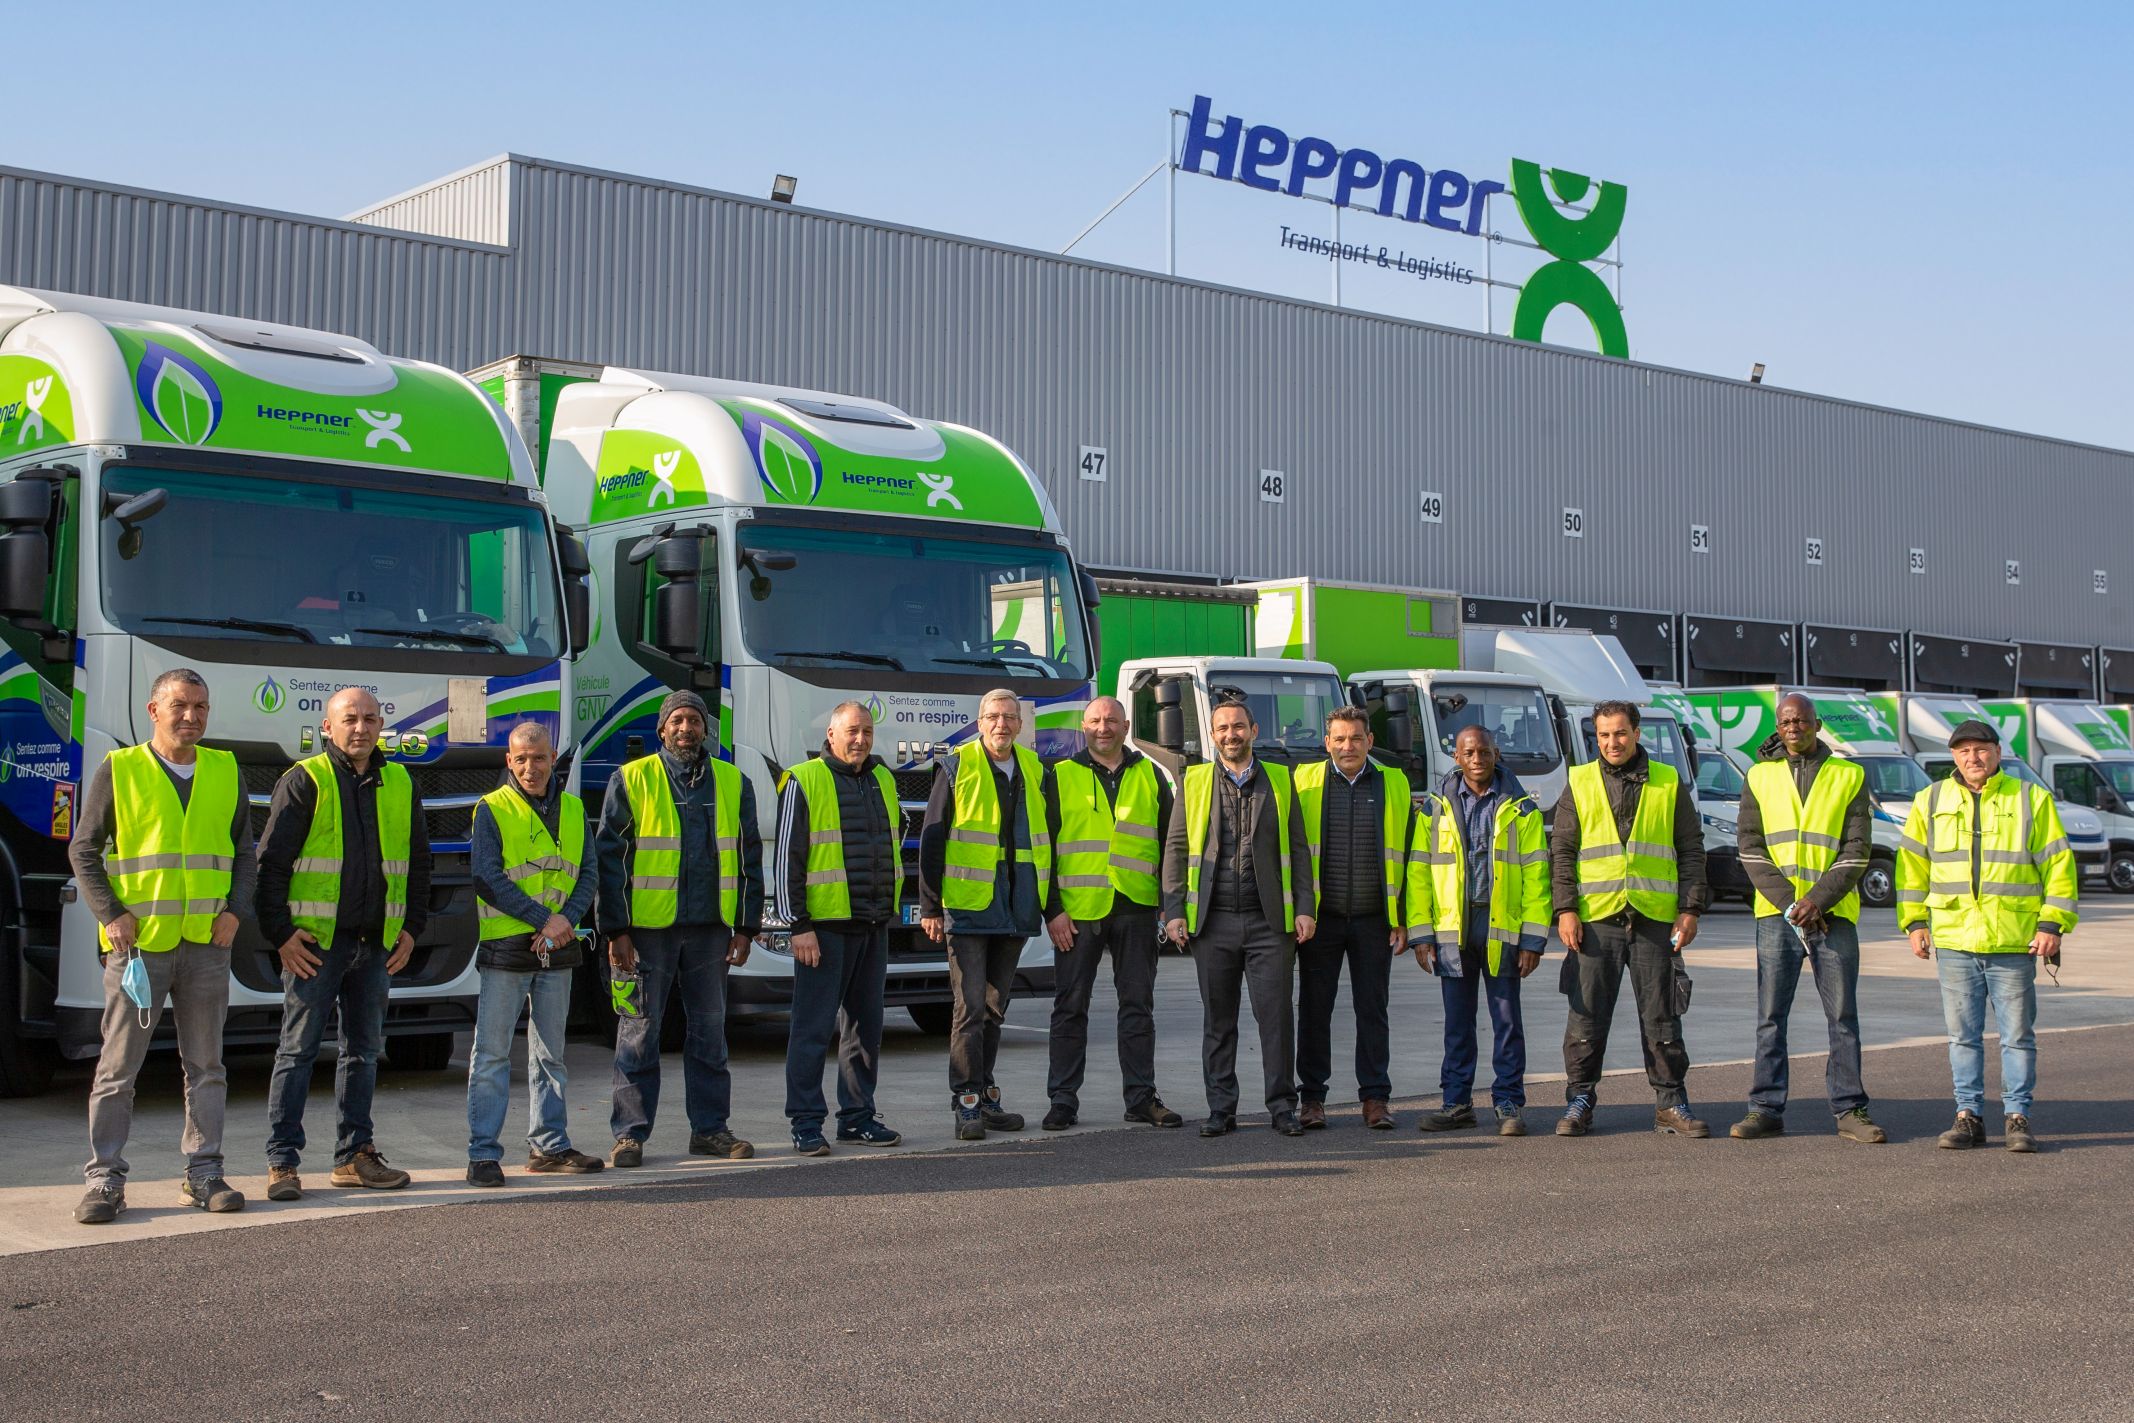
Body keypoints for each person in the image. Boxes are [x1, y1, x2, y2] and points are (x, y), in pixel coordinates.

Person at [70, 669, 253, 1224]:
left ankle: (204, 1174)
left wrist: (234, 912)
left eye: (200, 706)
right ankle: (104, 1179)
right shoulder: (121, 768)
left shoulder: (225, 769)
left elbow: (245, 852)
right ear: (154, 711)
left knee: (207, 1067)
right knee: (117, 1070)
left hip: (205, 945)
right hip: (139, 950)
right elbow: (84, 850)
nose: (191, 716)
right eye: (179, 705)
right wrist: (112, 915)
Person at [257, 686, 432, 1198]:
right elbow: (270, 866)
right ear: (327, 727)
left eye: (370, 719)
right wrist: (281, 935)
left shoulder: (400, 781)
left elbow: (418, 863)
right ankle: (282, 1162)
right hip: (315, 947)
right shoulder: (304, 780)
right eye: (350, 719)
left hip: (376, 944)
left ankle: (355, 1155)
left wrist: (412, 928)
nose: (361, 728)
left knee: (363, 1053)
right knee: (297, 1051)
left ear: (381, 726)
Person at [597, 689, 765, 1166]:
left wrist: (746, 927)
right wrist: (616, 930)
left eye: (694, 720)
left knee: (710, 1033)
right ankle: (629, 1135)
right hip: (647, 932)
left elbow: (750, 858)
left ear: (705, 729)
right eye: (678, 721)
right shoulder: (631, 779)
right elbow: (610, 860)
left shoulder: (733, 782)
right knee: (639, 1032)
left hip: (711, 931)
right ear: (662, 729)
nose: (686, 729)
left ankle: (711, 1130)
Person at [1897, 719, 2077, 1153]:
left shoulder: (2030, 798)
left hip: (2014, 939)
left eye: (1981, 749)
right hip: (1955, 939)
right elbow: (1912, 867)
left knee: (2017, 1036)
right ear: (1953, 756)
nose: (1973, 757)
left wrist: (2052, 924)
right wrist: (1915, 922)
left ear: (1997, 752)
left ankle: (2017, 1117)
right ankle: (1968, 1117)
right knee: (1962, 1036)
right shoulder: (1930, 799)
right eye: (1964, 751)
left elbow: (2058, 865)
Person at [1549, 700, 1709, 1138]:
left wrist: (1689, 909)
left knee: (1662, 1017)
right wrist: (1565, 909)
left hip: (1655, 919)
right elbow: (1561, 851)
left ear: (1637, 733)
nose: (1611, 742)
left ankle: (1670, 1103)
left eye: (1620, 733)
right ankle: (1579, 1100)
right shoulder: (1579, 781)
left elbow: (1691, 849)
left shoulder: (1668, 781)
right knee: (1585, 1018)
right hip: (1596, 920)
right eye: (1603, 735)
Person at [1161, 695, 1316, 1138]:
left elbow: (1299, 850)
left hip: (1270, 924)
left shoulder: (1281, 780)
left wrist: (1305, 908)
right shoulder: (1193, 781)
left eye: (1238, 727)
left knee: (1276, 1020)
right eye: (1223, 728)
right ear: (1213, 735)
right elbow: (1175, 849)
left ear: (1253, 731)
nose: (1231, 735)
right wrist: (1174, 910)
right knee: (1219, 1022)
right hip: (1213, 924)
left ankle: (1282, 1107)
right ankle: (1221, 1109)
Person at [1731, 694, 1884, 1144]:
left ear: (1816, 725)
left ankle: (1850, 1109)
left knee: (1842, 1016)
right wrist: (1790, 904)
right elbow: (1750, 847)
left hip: (1832, 916)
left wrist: (1817, 901)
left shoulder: (1848, 775)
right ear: (1777, 727)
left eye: (1800, 720)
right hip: (1777, 916)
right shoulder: (1758, 776)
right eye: (1785, 722)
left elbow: (1857, 849)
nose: (1793, 728)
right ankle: (1764, 1108)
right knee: (1770, 1016)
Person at [918, 689, 1062, 1140]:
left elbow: (1049, 841)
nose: (1002, 724)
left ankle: (985, 1095)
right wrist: (930, 905)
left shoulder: (1036, 769)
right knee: (970, 1008)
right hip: (968, 908)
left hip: (1016, 907)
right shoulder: (957, 765)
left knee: (996, 1008)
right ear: (980, 723)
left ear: (1020, 724)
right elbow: (932, 838)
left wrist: (1051, 907)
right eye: (993, 717)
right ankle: (966, 1102)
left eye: (1010, 717)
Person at [465, 722, 603, 1185]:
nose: (531, 767)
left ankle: (549, 1146)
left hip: (557, 949)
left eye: (539, 758)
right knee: (491, 1056)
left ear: (553, 759)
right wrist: (546, 919)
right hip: (508, 949)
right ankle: (483, 1154)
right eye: (521, 759)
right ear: (509, 761)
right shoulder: (492, 808)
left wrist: (565, 921)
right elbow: (486, 877)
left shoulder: (574, 809)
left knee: (551, 1056)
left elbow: (588, 873)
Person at [1041, 696, 1181, 1131]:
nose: (1103, 728)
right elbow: (1043, 850)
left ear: (1126, 726)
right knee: (1070, 1007)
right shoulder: (1059, 776)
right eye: (1096, 721)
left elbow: (1170, 843)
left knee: (1137, 1007)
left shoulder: (1151, 774)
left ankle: (1141, 1098)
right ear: (1084, 727)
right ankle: (1063, 1100)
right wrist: (1053, 910)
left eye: (1112, 721)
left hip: (1136, 907)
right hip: (1077, 913)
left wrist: (1169, 904)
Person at [1408, 725, 1549, 1138]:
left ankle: (1508, 1103)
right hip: (1453, 929)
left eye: (1484, 752)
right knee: (1457, 1023)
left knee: (1506, 1021)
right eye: (1468, 752)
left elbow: (1537, 878)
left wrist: (1532, 939)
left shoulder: (1522, 809)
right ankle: (1456, 1104)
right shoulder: (1434, 809)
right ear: (1456, 756)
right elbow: (1418, 873)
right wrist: (1421, 935)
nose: (1476, 759)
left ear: (1496, 754)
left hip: (1500, 926)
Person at [776, 701, 905, 1155]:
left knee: (865, 1030)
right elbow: (787, 859)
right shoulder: (803, 779)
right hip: (823, 929)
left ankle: (857, 1117)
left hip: (872, 923)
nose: (861, 739)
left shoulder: (883, 778)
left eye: (867, 731)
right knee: (812, 1030)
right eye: (852, 731)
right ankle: (806, 1121)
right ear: (831, 734)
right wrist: (798, 925)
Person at [1292, 707, 1409, 1129]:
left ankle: (1375, 1098)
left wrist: (1403, 918)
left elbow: (1408, 853)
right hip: (1319, 920)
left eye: (1356, 738)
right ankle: (1312, 1099)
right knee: (1314, 1010)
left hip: (1374, 920)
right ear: (1327, 743)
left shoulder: (1393, 782)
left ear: (1369, 741)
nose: (1348, 746)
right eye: (1339, 739)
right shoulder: (1303, 781)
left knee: (1373, 1010)